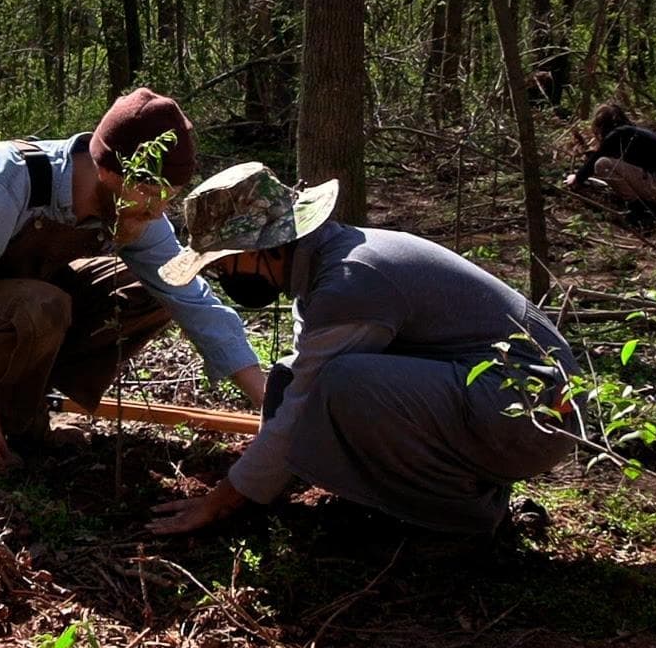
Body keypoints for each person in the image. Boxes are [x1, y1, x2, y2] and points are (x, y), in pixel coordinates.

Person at [146, 163, 578, 548]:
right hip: (503, 401)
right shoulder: (328, 264)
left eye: (223, 264)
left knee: (345, 382)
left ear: (268, 248)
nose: (221, 276)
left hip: (533, 415)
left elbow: (303, 406)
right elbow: (296, 385)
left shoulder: (349, 281)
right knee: (291, 377)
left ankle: (466, 518)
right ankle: (454, 492)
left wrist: (224, 499)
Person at [0, 89, 266, 472]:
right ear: (107, 171)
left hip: (19, 317)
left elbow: (191, 297)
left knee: (151, 289)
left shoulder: (131, 204)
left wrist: (267, 402)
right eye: (150, 195)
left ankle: (25, 402)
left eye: (168, 199)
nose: (157, 213)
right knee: (41, 305)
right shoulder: (1, 184)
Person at [564, 103, 656, 211]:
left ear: (601, 125)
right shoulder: (636, 133)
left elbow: (596, 159)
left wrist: (576, 178)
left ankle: (637, 208)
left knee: (602, 164)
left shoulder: (618, 134)